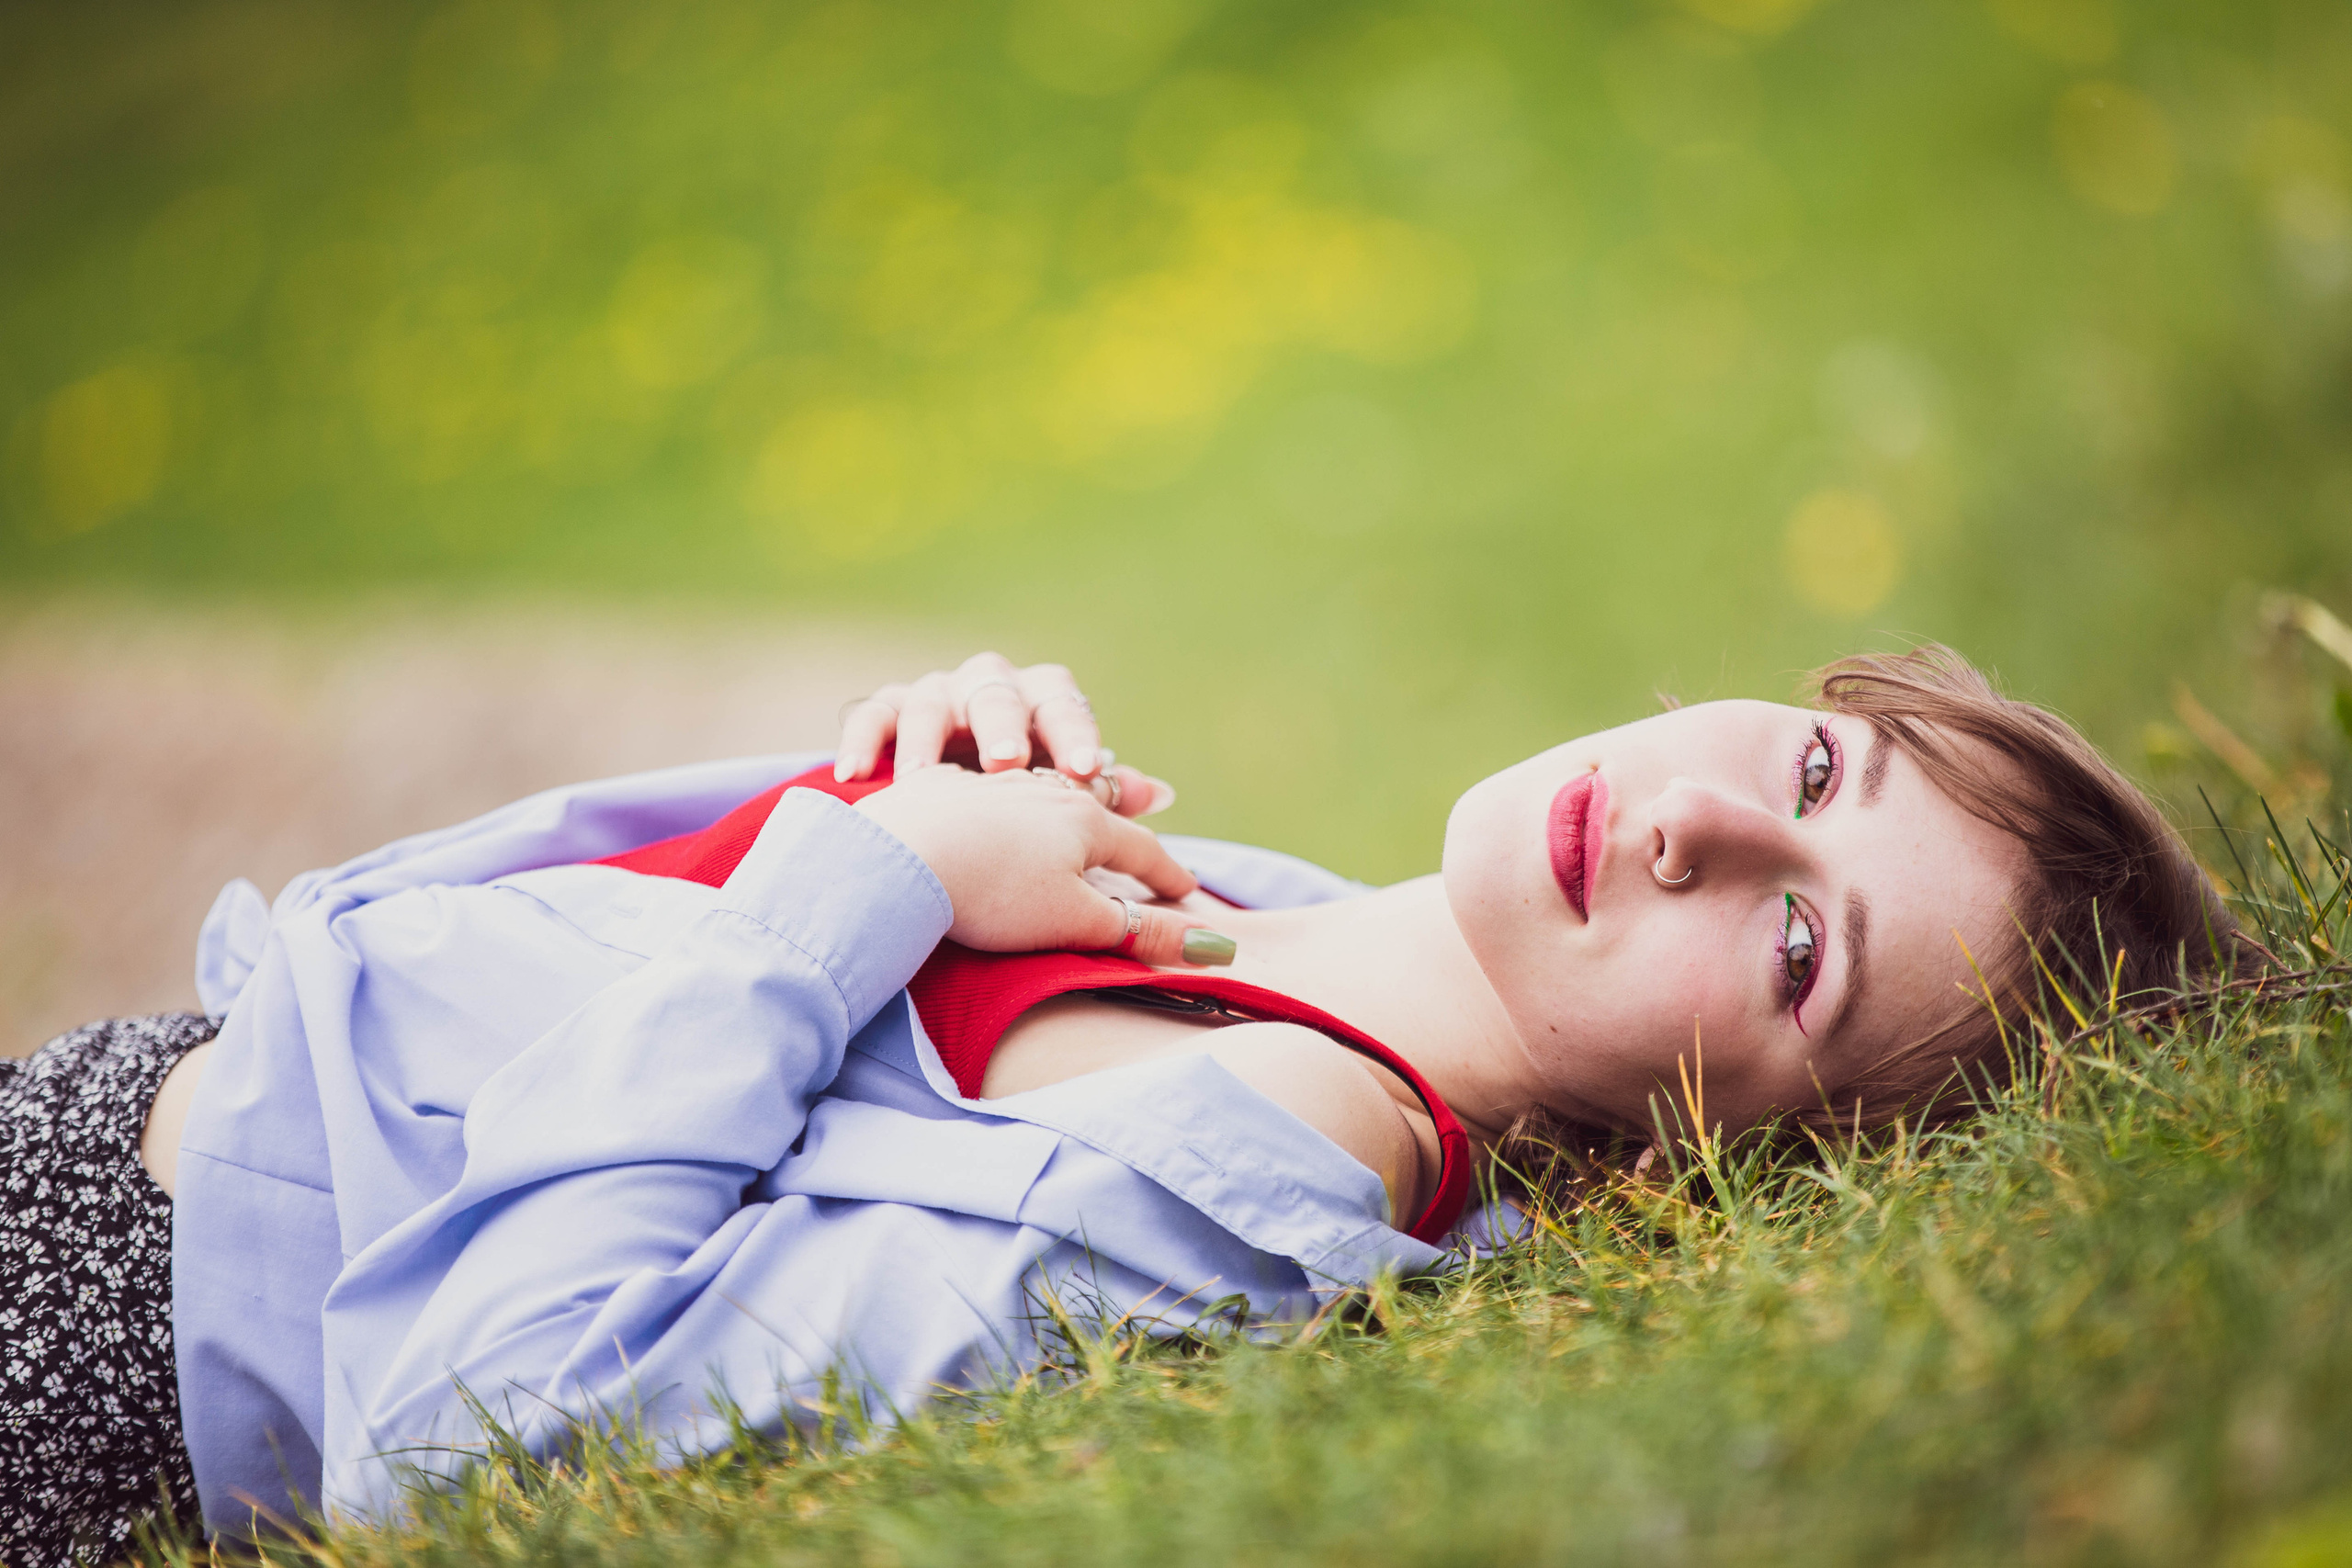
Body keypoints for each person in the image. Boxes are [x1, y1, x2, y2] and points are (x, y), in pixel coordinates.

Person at [0, 645, 2248, 1563]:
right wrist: (893, 784)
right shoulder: (1322, 935)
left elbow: (477, 1427)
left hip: (78, 1327)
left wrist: (847, 886)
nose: (1699, 826)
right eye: (1814, 770)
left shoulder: (1255, 1169)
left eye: (1794, 950)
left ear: (1722, 1143)